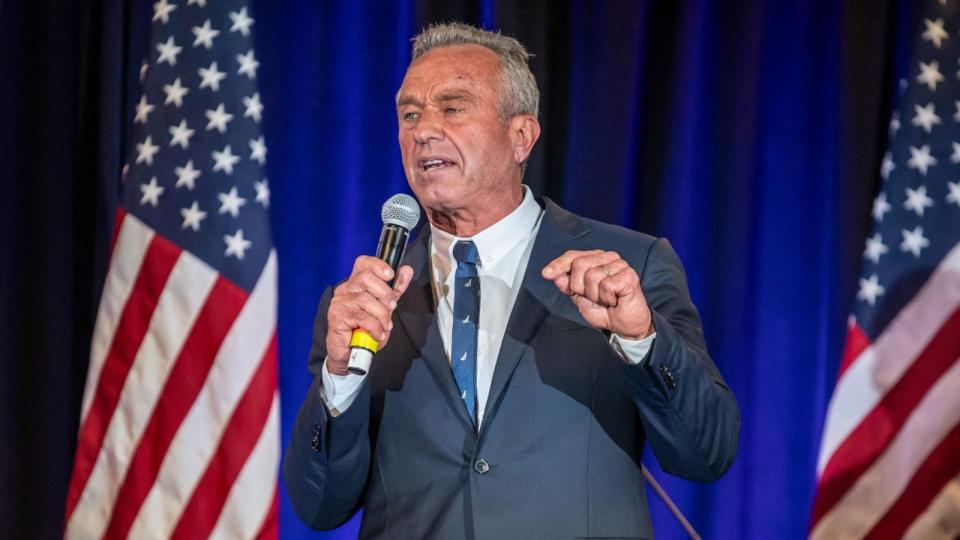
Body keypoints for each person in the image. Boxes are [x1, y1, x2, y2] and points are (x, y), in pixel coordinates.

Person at [283, 22, 739, 539]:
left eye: (452, 107)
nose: (423, 130)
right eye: (409, 114)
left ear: (520, 136)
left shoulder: (629, 265)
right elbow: (318, 506)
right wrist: (340, 377)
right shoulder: (362, 306)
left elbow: (707, 452)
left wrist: (641, 338)